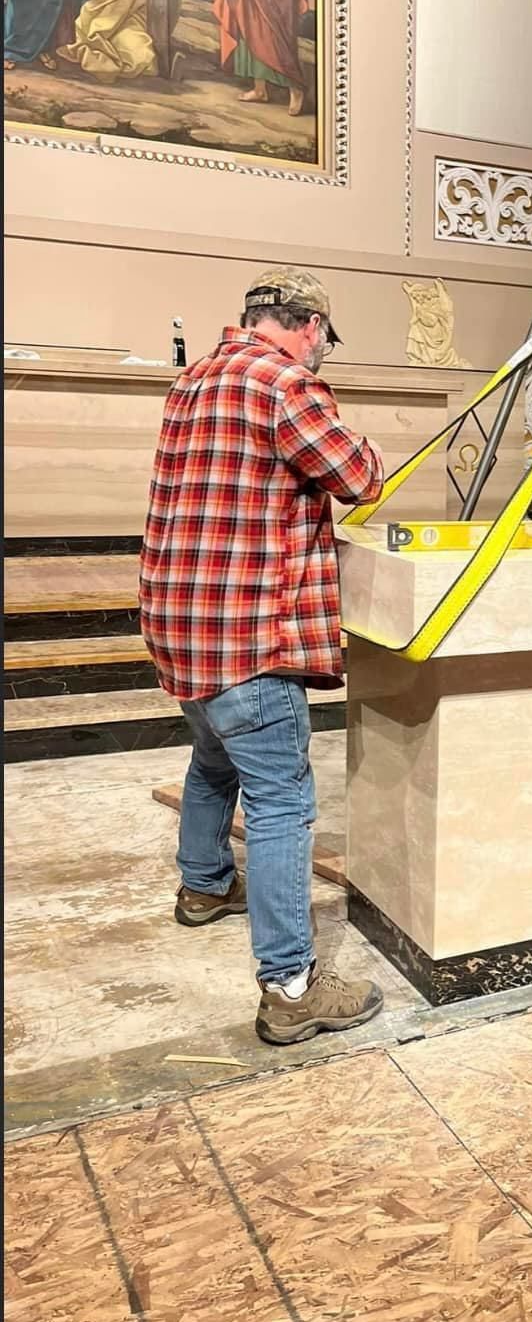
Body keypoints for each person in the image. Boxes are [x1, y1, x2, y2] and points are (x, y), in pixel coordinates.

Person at [139, 268, 387, 1045]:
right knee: (281, 802)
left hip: (181, 626)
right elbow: (359, 477)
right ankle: (290, 987)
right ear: (309, 325)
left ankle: (205, 886)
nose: (320, 351)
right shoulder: (285, 385)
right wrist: (370, 451)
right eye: (323, 339)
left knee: (215, 757)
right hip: (249, 635)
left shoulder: (193, 380)